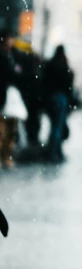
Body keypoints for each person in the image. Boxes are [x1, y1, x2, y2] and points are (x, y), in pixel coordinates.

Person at [42, 45, 74, 163]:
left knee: (54, 126)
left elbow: (44, 83)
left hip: (51, 99)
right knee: (58, 127)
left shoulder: (49, 65)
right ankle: (55, 152)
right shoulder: (64, 67)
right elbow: (68, 87)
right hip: (61, 99)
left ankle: (53, 151)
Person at [0, 30, 25, 167]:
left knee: (11, 128)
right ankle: (3, 156)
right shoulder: (4, 55)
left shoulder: (13, 54)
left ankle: (7, 156)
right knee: (3, 129)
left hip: (11, 97)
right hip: (4, 96)